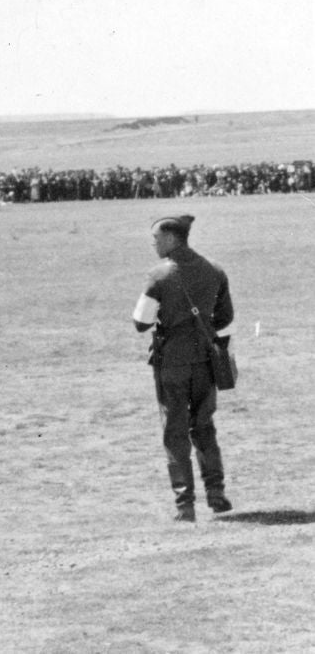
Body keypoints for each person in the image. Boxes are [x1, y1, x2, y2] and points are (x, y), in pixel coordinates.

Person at [132, 214, 235, 522]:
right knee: (204, 427)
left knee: (175, 431)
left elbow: (140, 323)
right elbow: (225, 317)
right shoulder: (214, 270)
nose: (153, 244)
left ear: (172, 240)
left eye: (156, 239)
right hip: (205, 362)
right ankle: (216, 494)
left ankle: (184, 505)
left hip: (172, 363)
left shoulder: (159, 275)